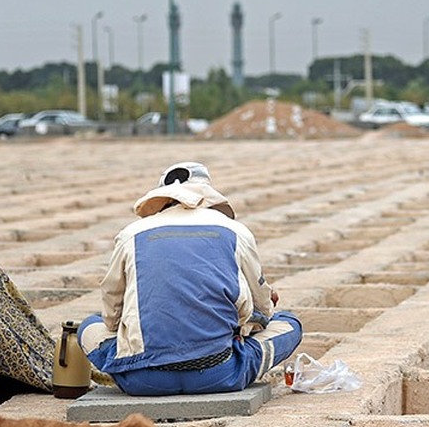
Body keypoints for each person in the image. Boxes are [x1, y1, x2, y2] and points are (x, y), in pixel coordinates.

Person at [78, 161, 302, 396]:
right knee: (289, 323)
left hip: (141, 380)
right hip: (219, 374)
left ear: (162, 198)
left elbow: (112, 316)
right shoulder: (235, 231)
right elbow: (262, 312)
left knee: (89, 325)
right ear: (207, 195)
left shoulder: (130, 234)